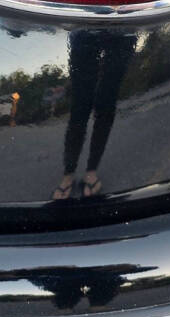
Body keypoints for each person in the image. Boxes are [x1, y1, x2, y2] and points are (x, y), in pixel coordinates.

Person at [52, 30, 136, 200]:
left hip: (121, 30)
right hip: (85, 32)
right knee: (79, 108)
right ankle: (69, 174)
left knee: (105, 106)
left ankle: (91, 172)